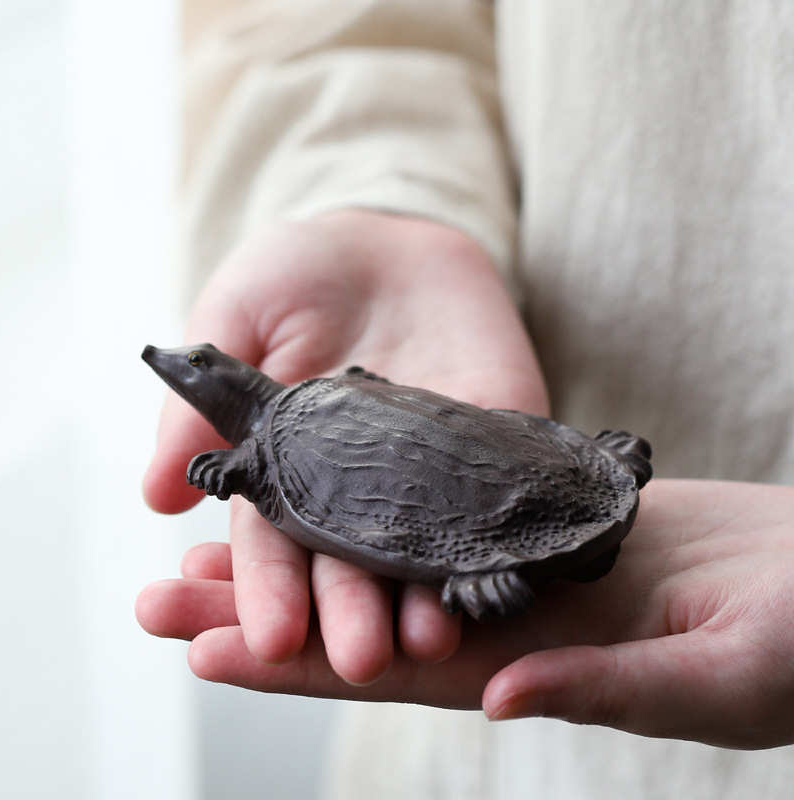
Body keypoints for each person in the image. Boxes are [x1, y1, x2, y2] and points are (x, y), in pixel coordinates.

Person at [137, 1, 794, 797]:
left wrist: (237, 470)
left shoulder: (272, 453)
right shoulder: (286, 433)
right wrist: (366, 193)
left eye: (198, 363)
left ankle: (497, 557)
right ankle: (554, 502)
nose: (181, 365)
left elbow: (278, 482)